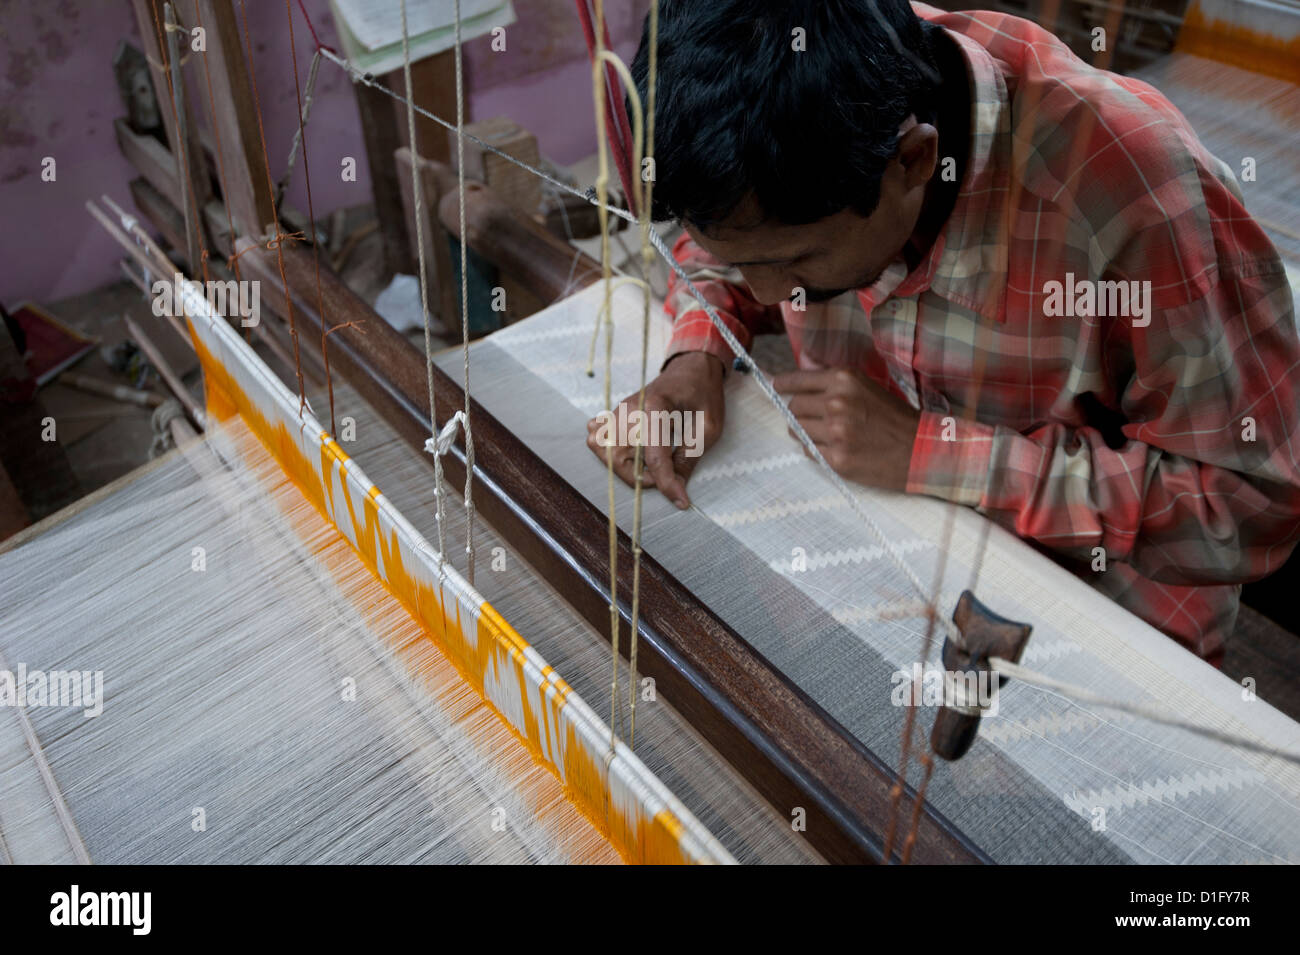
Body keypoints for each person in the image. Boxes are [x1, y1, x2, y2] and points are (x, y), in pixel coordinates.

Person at [585, 0, 1300, 663]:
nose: (766, 293)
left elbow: (1251, 502)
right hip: (891, 567)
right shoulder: (800, 93)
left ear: (914, 160)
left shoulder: (1137, 194)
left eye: (798, 261)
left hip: (1096, 631)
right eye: (751, 265)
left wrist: (934, 453)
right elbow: (721, 250)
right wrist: (694, 359)